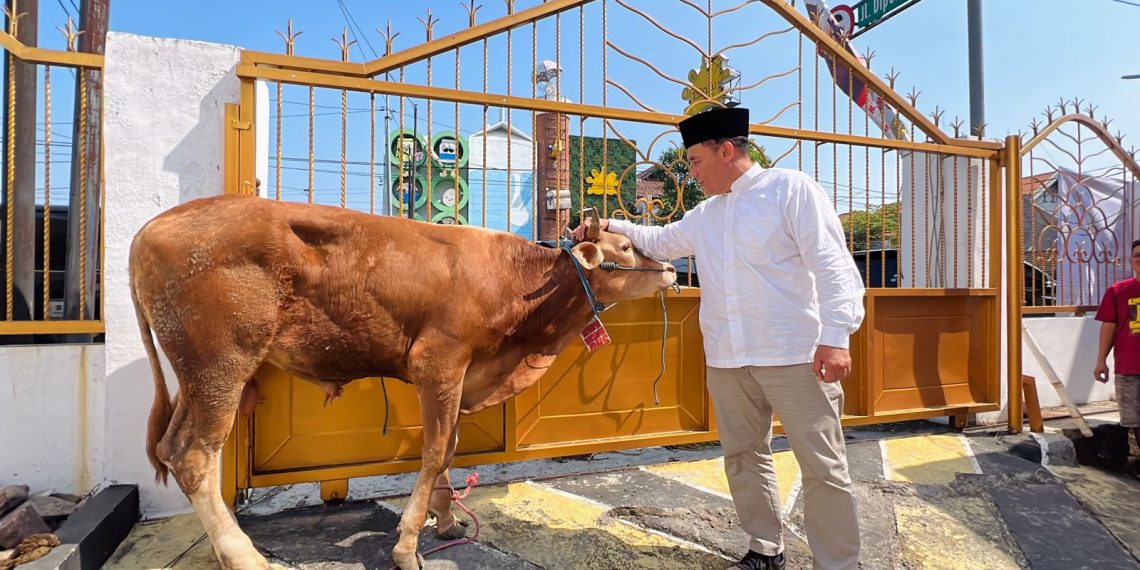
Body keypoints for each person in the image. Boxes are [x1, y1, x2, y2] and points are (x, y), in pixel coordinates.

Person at [572, 106, 865, 570]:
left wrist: (836, 336)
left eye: (695, 161)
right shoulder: (707, 214)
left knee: (823, 466)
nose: (691, 172)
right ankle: (766, 550)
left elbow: (832, 264)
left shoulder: (790, 190)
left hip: (796, 354)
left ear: (726, 151)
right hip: (728, 359)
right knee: (745, 457)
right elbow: (662, 240)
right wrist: (611, 227)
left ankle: (839, 564)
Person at [1093, 238, 1140, 455]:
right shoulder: (1117, 291)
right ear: (1131, 261)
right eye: (1137, 255)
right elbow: (1109, 326)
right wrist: (1101, 361)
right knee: (1135, 420)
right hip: (1129, 368)